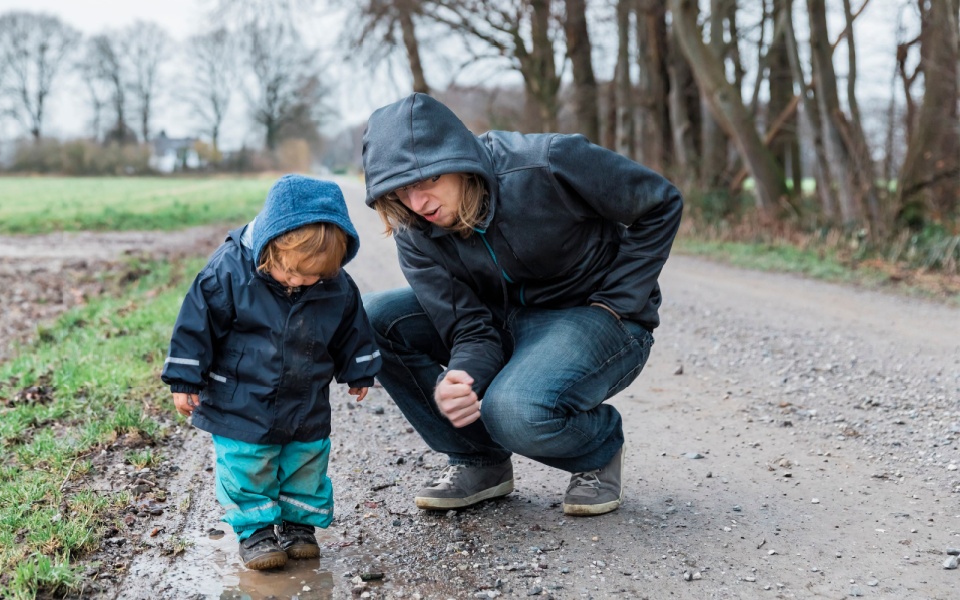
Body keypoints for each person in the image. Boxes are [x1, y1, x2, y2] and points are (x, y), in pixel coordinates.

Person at [360, 93, 682, 516]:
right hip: (504, 322)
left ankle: (598, 448)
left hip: (594, 315)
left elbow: (659, 203)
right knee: (373, 318)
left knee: (512, 410)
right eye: (402, 190)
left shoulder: (548, 163)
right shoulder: (414, 229)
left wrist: (618, 301)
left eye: (427, 181)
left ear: (455, 161)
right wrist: (462, 375)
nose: (418, 203)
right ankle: (480, 461)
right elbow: (469, 327)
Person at [161, 175, 382, 570]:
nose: (302, 282)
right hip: (240, 399)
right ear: (271, 247)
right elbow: (196, 324)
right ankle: (257, 532)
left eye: (314, 276)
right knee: (248, 464)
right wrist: (185, 377)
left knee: (306, 462)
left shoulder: (336, 285)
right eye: (293, 273)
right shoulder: (228, 271)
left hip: (306, 398)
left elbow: (352, 327)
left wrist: (359, 369)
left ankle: (300, 525)